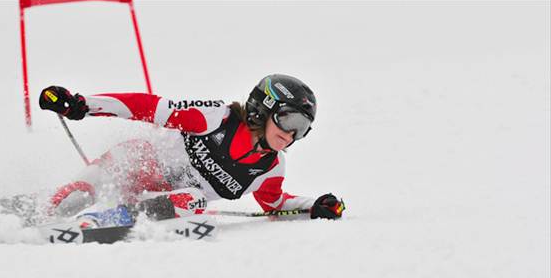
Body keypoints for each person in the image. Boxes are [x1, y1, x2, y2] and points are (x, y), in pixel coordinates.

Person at [39, 74, 345, 224]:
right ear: (262, 109)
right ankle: (32, 215)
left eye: (302, 128)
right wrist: (83, 105)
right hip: (130, 164)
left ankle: (108, 220)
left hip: (147, 202)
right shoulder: (216, 118)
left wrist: (316, 204)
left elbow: (277, 204)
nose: (291, 134)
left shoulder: (270, 169)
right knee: (76, 196)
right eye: (288, 119)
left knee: (195, 202)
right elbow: (146, 106)